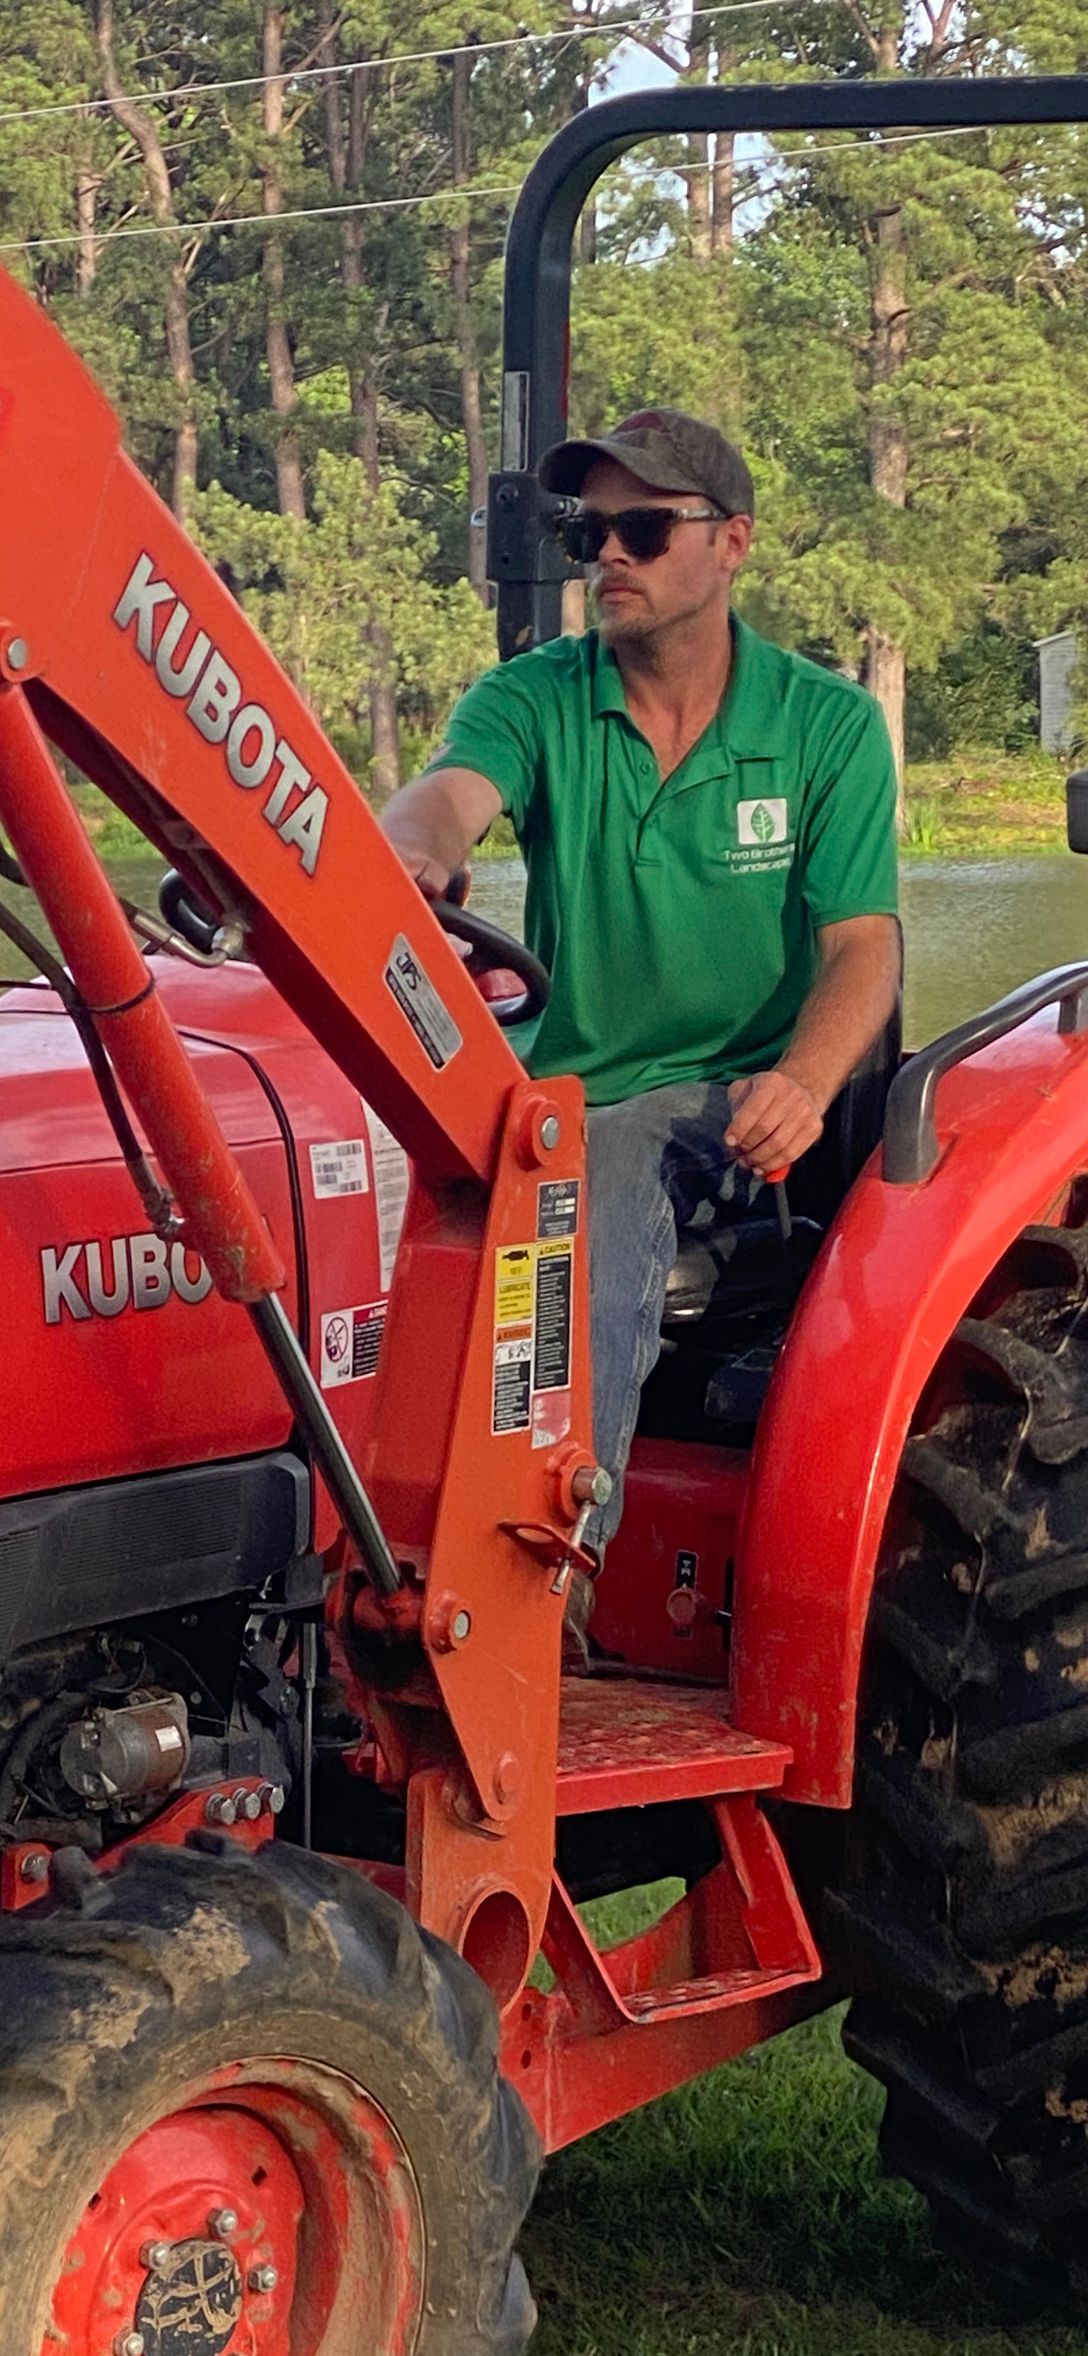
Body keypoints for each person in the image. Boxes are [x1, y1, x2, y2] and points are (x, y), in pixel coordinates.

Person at [380, 407, 900, 1620]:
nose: (609, 554)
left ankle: (537, 1604)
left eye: (644, 528)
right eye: (588, 530)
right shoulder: (542, 696)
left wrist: (807, 1084)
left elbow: (863, 949)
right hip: (565, 1100)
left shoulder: (823, 726)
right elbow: (447, 798)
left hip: (748, 1120)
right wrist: (411, 854)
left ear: (732, 545)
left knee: (600, 1158)